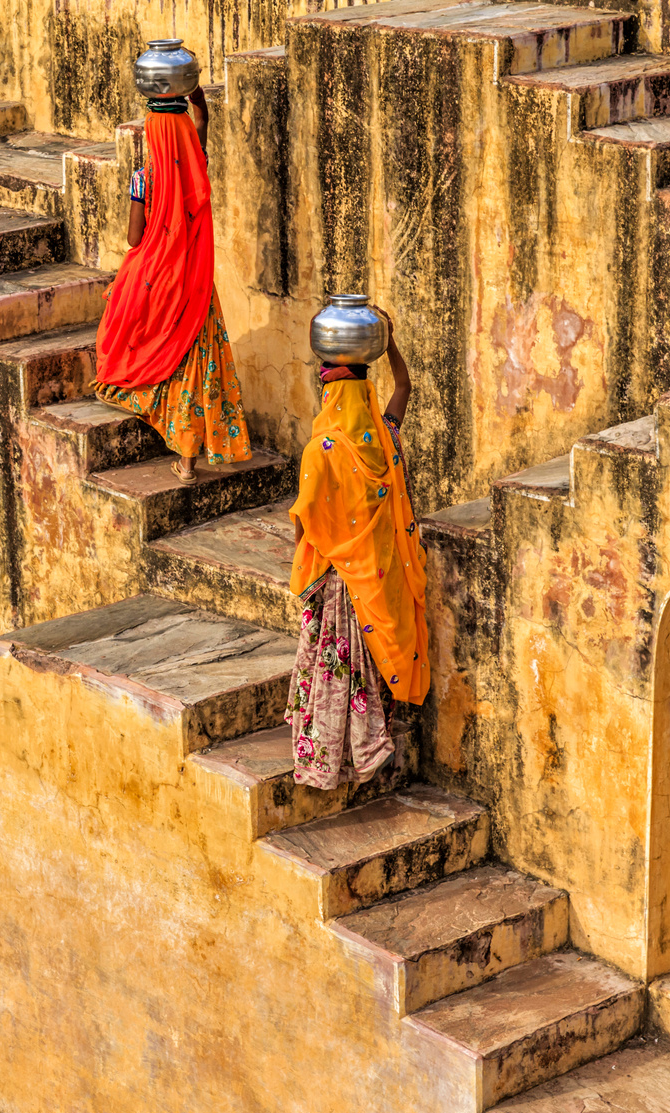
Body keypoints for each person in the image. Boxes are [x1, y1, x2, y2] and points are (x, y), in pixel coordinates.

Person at [284, 318, 428, 790]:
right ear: (365, 397)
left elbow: (306, 523)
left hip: (338, 582)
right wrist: (388, 344)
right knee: (369, 667)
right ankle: (371, 746)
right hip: (381, 578)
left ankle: (347, 756)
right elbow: (404, 384)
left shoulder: (321, 450)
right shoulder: (385, 437)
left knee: (337, 673)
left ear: (329, 399)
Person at [94, 87, 251, 482]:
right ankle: (188, 461)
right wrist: (197, 100)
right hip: (193, 278)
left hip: (156, 278)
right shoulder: (195, 164)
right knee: (196, 358)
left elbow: (134, 238)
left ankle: (146, 398)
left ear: (151, 135)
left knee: (139, 330)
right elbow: (202, 123)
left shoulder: (145, 178)